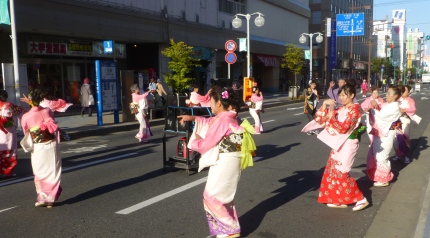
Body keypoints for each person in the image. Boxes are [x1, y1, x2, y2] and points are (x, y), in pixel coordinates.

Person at [178, 87, 253, 238]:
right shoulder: (228, 116)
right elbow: (210, 121)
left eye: (211, 102)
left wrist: (194, 142)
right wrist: (193, 118)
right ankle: (229, 228)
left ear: (219, 103)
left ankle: (229, 231)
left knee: (213, 196)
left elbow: (207, 143)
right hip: (229, 159)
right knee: (222, 196)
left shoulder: (223, 119)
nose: (210, 106)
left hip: (226, 160)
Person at [302, 79, 369, 211]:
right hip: (339, 143)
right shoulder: (341, 109)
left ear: (352, 95)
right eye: (340, 95)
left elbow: (343, 127)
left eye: (345, 95)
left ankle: (361, 198)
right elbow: (322, 117)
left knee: (342, 172)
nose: (342, 98)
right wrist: (326, 104)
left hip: (348, 143)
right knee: (333, 171)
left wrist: (331, 117)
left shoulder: (355, 111)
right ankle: (340, 199)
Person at [20, 88, 62, 208]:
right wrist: (33, 102)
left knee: (39, 172)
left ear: (30, 101)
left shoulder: (26, 117)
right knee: (53, 171)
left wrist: (31, 104)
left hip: (38, 146)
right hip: (51, 144)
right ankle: (50, 199)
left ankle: (42, 197)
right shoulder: (47, 111)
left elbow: (25, 130)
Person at [366, 86, 401, 187]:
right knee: (377, 154)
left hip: (387, 133)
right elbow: (381, 114)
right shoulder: (388, 105)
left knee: (383, 155)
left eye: (389, 94)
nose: (386, 95)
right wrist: (375, 107)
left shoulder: (394, 107)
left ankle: (384, 178)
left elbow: (382, 117)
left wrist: (372, 111)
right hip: (382, 132)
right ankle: (379, 176)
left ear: (395, 96)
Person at [0, 90, 25, 179]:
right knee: (9, 150)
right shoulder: (8, 105)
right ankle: (7, 172)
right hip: (8, 130)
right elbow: (16, 111)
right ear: (5, 97)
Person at [393, 85, 418, 164]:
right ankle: (398, 154)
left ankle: (406, 156)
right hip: (396, 121)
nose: (403, 92)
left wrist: (405, 110)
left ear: (409, 92)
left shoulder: (411, 100)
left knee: (405, 138)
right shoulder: (398, 99)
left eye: (405, 90)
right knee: (395, 139)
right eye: (403, 90)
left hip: (405, 120)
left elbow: (413, 109)